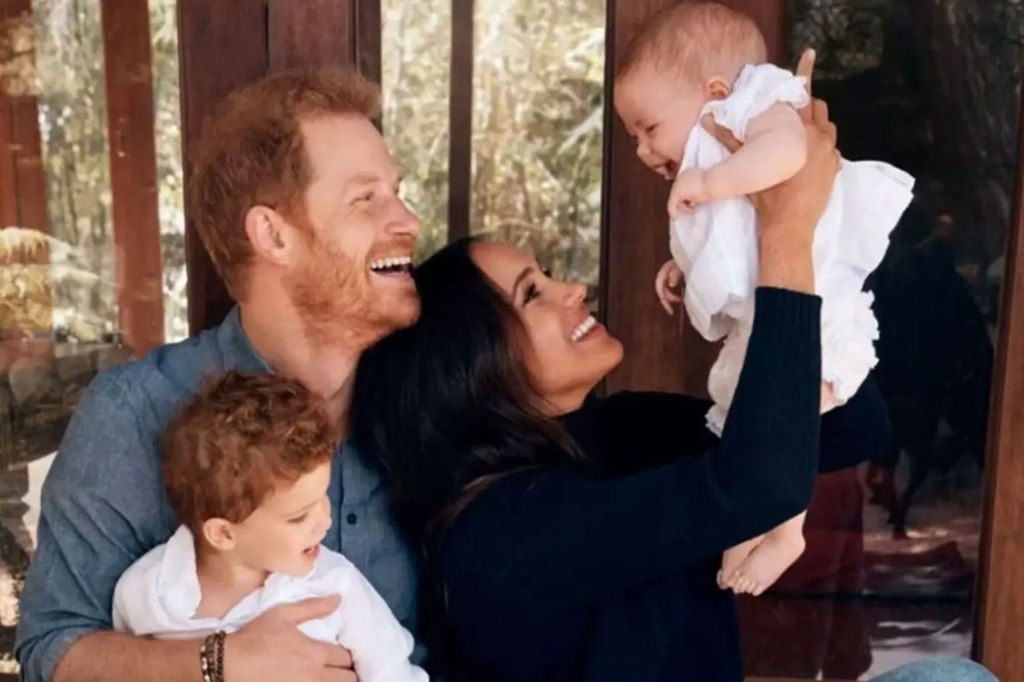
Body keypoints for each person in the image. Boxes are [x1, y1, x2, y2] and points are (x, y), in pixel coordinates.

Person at [352, 56, 994, 682]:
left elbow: (849, 430)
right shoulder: (500, 534)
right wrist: (786, 233)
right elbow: (761, 485)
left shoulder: (621, 431)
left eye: (546, 274)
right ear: (470, 369)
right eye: (532, 294)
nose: (570, 289)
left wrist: (767, 264)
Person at [15, 68, 420, 682]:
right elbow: (50, 649)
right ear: (272, 234)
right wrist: (217, 662)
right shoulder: (134, 412)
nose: (409, 220)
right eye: (367, 198)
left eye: (396, 191)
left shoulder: (423, 400)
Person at [612, 1, 915, 595]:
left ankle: (785, 530)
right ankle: (755, 521)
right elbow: (737, 236)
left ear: (716, 91)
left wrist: (709, 181)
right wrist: (684, 265)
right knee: (745, 412)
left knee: (784, 414)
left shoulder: (761, 106)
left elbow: (788, 156)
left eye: (650, 129)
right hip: (772, 309)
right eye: (633, 139)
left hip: (818, 306)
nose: (645, 151)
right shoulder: (719, 150)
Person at [112, 372, 427, 682]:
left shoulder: (333, 584)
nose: (325, 521)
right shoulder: (146, 592)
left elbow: (390, 666)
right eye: (299, 516)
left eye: (323, 498)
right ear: (223, 533)